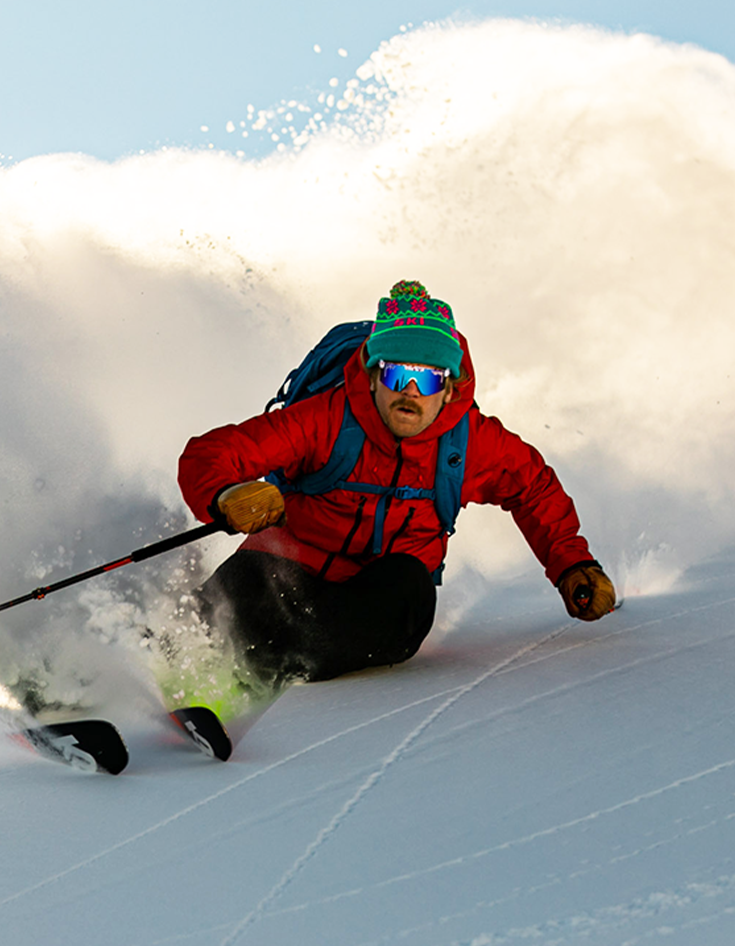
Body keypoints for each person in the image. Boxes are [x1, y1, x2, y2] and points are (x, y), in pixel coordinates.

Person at [178, 280, 616, 685]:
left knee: (407, 587)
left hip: (380, 599)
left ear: (449, 388)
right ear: (372, 377)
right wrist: (225, 495)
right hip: (288, 572)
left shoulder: (470, 442)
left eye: (426, 378)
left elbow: (532, 487)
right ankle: (171, 649)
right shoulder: (325, 419)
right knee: (243, 590)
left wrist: (572, 565)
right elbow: (213, 453)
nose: (409, 390)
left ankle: (256, 662)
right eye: (394, 374)